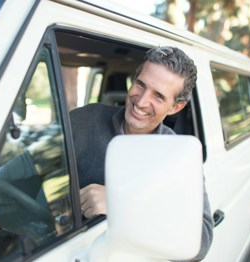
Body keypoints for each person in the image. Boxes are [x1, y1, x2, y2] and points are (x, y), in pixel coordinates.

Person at [70, 46, 213, 260]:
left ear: (176, 107)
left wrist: (122, 206)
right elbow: (14, 184)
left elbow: (201, 240)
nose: (142, 101)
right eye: (140, 84)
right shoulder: (84, 120)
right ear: (134, 78)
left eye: (158, 96)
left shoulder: (178, 156)